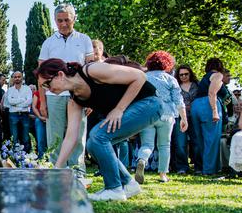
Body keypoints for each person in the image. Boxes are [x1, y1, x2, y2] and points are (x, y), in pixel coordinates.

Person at [36, 58, 161, 201]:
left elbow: (140, 76)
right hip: (135, 110)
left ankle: (114, 189)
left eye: (47, 83)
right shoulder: (75, 101)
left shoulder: (92, 70)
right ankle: (128, 184)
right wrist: (57, 169)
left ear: (60, 75)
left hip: (150, 103)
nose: (48, 89)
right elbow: (70, 137)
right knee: (92, 144)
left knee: (97, 136)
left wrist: (119, 109)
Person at [38, 3, 94, 174]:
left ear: (74, 19)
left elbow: (90, 71)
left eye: (67, 20)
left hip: (78, 95)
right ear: (55, 20)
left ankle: (77, 170)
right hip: (53, 96)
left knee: (78, 134)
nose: (63, 24)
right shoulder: (48, 43)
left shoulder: (84, 40)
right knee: (54, 136)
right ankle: (56, 170)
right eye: (59, 20)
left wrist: (91, 99)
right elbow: (41, 75)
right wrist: (42, 102)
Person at [134, 51, 187, 184]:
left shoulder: (144, 77)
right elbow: (178, 100)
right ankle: (163, 174)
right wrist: (184, 118)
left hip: (148, 115)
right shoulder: (170, 79)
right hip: (167, 115)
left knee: (147, 144)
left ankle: (142, 160)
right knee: (164, 145)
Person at [190, 58, 226, 176]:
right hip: (208, 105)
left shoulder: (204, 78)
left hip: (196, 105)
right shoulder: (218, 75)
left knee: (199, 140)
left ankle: (200, 168)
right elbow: (212, 93)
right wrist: (214, 111)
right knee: (211, 139)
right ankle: (209, 170)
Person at [171, 65, 199, 173]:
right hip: (180, 117)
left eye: (186, 74)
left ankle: (198, 167)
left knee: (196, 142)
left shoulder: (197, 85)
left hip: (195, 116)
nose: (183, 76)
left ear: (190, 73)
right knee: (180, 143)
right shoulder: (176, 86)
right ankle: (182, 167)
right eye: (181, 74)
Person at [5, 71, 32, 150]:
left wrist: (16, 104)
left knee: (25, 137)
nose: (17, 78)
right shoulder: (10, 90)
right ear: (13, 78)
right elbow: (10, 101)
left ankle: (27, 155)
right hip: (13, 114)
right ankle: (14, 155)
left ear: (22, 78)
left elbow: (29, 101)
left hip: (24, 114)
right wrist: (22, 100)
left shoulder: (27, 89)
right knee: (14, 137)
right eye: (15, 77)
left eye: (19, 77)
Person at [31, 90, 47, 158]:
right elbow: (34, 106)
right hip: (40, 118)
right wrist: (40, 116)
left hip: (51, 118)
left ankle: (51, 158)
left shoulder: (53, 92)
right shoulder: (37, 93)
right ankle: (41, 158)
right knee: (40, 140)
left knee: (51, 140)